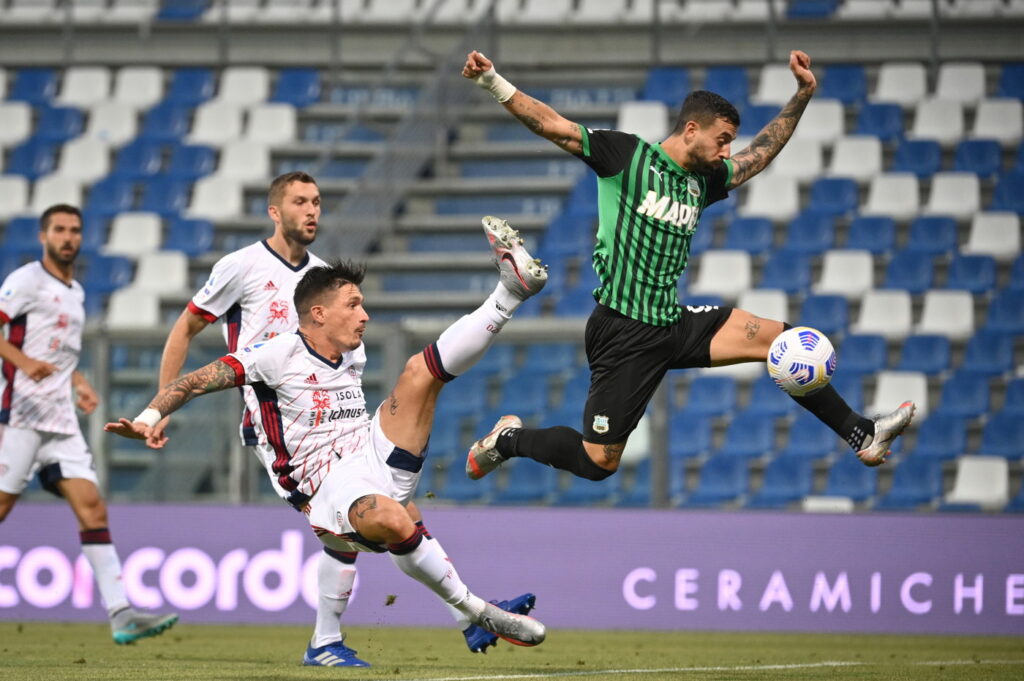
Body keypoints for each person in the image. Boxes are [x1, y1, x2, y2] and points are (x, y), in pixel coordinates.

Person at [460, 50, 915, 484]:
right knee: (599, 462)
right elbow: (554, 126)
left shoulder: (704, 180)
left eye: (729, 143)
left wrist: (801, 96)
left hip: (672, 322)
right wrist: (491, 81)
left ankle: (862, 435)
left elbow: (759, 155)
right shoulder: (625, 157)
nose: (726, 150)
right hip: (623, 332)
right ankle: (508, 440)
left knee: (786, 342)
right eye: (722, 140)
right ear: (692, 129)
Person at [106, 218, 548, 654]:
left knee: (418, 373)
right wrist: (148, 416)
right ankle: (477, 612)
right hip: (324, 481)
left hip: (367, 447)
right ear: (319, 314)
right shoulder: (274, 355)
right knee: (394, 520)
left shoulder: (352, 351)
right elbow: (195, 381)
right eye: (354, 305)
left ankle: (507, 292)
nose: (365, 315)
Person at [0, 204, 178, 644]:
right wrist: (22, 361)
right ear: (44, 236)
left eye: (75, 230)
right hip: (20, 414)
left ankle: (121, 613)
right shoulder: (25, 281)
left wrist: (78, 382)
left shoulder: (76, 292)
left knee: (92, 506)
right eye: (59, 230)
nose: (68, 237)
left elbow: (60, 352)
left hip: (59, 421)